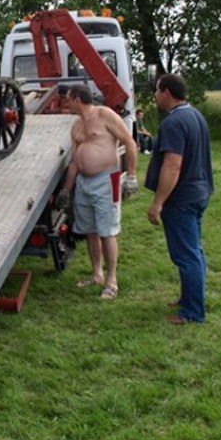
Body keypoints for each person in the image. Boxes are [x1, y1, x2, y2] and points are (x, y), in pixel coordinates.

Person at [56, 83, 138, 299]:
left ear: (77, 99)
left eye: (68, 99)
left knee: (106, 231)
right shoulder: (76, 126)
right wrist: (66, 189)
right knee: (90, 230)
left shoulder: (104, 115)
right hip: (84, 182)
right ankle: (97, 274)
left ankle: (112, 281)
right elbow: (75, 162)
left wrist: (131, 175)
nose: (66, 103)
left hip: (105, 179)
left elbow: (129, 142)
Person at [145, 74, 213, 324]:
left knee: (186, 255)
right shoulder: (194, 115)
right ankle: (189, 300)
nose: (155, 95)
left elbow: (172, 165)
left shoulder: (173, 122)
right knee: (194, 251)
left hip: (181, 198)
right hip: (199, 191)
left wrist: (158, 202)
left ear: (166, 92)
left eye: (156, 91)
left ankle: (192, 312)